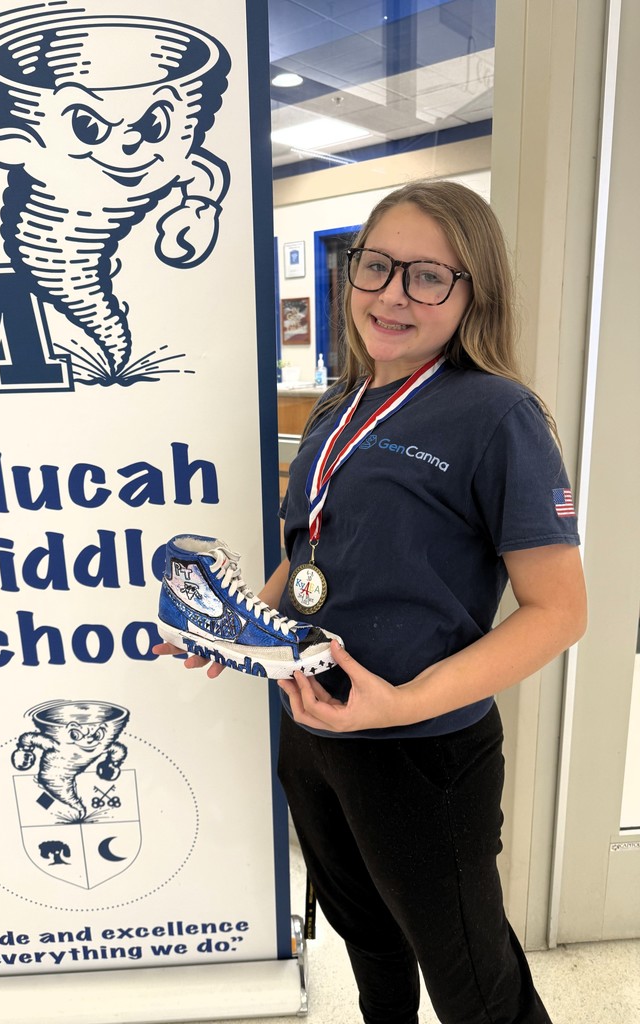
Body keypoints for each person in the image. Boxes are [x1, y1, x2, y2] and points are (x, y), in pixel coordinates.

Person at [155, 179, 587, 1023]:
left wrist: (405, 701)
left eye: (429, 275)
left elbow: (559, 612)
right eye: (376, 265)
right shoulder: (336, 406)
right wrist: (234, 630)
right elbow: (305, 558)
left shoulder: (498, 416)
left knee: (473, 982)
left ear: (474, 295)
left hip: (421, 751)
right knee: (368, 944)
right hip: (315, 732)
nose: (393, 292)